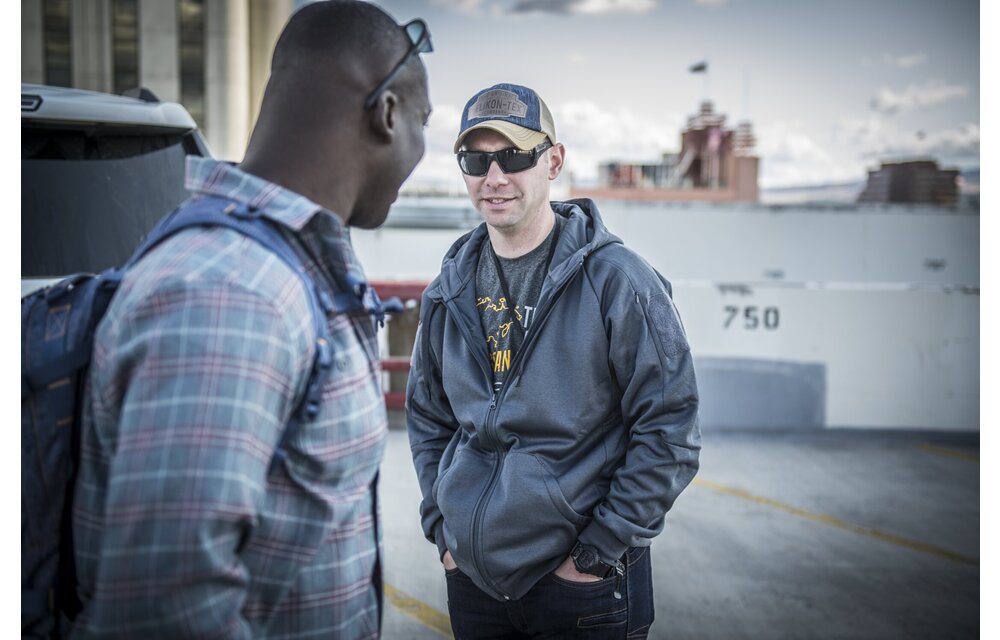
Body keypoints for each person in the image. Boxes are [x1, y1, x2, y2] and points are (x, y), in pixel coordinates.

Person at [70, 2, 432, 637]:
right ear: (388, 112)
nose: (423, 154)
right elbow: (166, 612)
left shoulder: (287, 270)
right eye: (424, 123)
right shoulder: (232, 291)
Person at [405, 83, 701, 639]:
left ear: (554, 161)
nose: (494, 177)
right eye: (476, 159)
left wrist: (596, 552)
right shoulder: (449, 289)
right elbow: (428, 417)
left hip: (585, 586)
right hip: (475, 582)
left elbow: (671, 431)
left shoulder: (620, 281)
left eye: (514, 156)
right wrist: (442, 531)